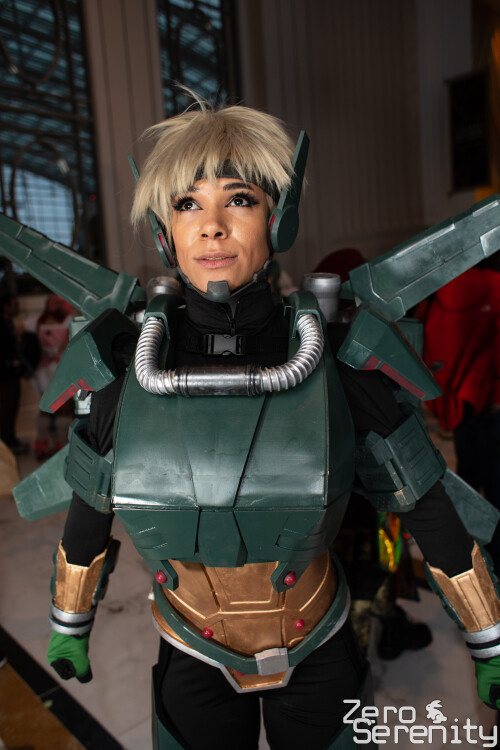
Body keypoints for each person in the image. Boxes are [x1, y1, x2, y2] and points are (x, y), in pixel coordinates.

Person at [44, 96, 500, 750]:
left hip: (317, 639)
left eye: (239, 199)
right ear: (164, 231)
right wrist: (69, 622)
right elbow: (89, 506)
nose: (212, 227)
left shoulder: (336, 353)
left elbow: (423, 504)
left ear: (277, 219)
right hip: (191, 643)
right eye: (187, 204)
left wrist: (489, 639)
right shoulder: (127, 364)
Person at [421, 257, 500, 571]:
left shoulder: (441, 292)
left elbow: (430, 345)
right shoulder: (496, 289)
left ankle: (471, 562)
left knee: (467, 480)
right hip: (489, 399)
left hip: (461, 401)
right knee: (496, 485)